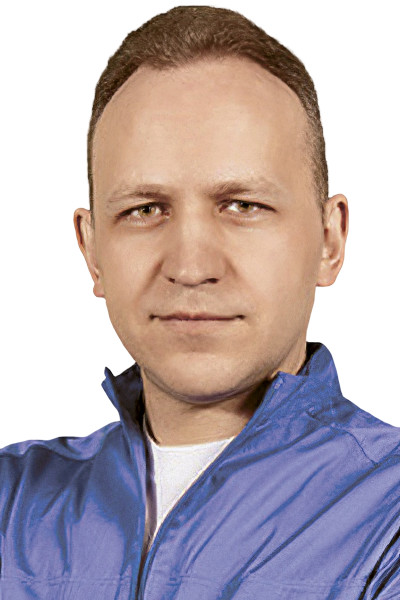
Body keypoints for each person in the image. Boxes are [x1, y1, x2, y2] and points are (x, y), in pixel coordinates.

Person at [0, 5, 399, 599]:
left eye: (243, 206)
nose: (190, 267)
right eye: (144, 210)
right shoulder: (11, 505)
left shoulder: (388, 519)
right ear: (92, 249)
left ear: (329, 240)